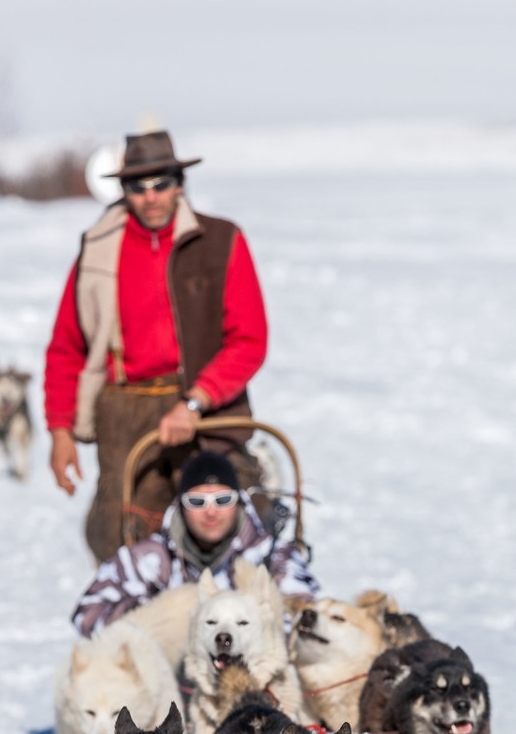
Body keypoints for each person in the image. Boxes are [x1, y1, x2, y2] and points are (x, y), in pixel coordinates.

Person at [45, 129, 269, 564]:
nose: (150, 197)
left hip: (208, 409)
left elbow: (249, 340)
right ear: (123, 190)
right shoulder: (97, 250)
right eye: (137, 187)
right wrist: (60, 430)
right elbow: (65, 347)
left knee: (233, 528)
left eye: (161, 183)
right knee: (119, 537)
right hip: (124, 411)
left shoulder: (221, 241)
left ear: (180, 183)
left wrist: (195, 403)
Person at [72, 451, 318, 639]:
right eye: (197, 501)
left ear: (239, 501)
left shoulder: (272, 556)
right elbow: (87, 615)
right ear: (181, 504)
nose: (211, 512)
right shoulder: (149, 559)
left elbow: (308, 616)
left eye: (222, 499)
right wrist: (160, 619)